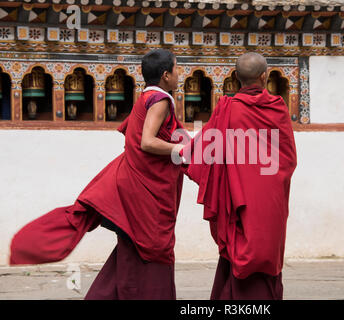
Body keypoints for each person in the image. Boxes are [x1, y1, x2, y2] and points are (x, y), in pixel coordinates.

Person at [9, 49, 189, 300]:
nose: (179, 74)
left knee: (131, 251)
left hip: (131, 186)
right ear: (166, 75)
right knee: (152, 250)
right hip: (144, 194)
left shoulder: (145, 97)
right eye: (177, 68)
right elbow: (146, 142)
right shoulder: (160, 100)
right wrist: (179, 149)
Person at [180, 52, 297, 300]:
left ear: (235, 77)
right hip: (270, 201)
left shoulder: (227, 109)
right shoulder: (278, 107)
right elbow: (288, 159)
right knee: (265, 249)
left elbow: (199, 153)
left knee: (237, 249)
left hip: (236, 200)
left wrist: (175, 150)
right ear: (265, 76)